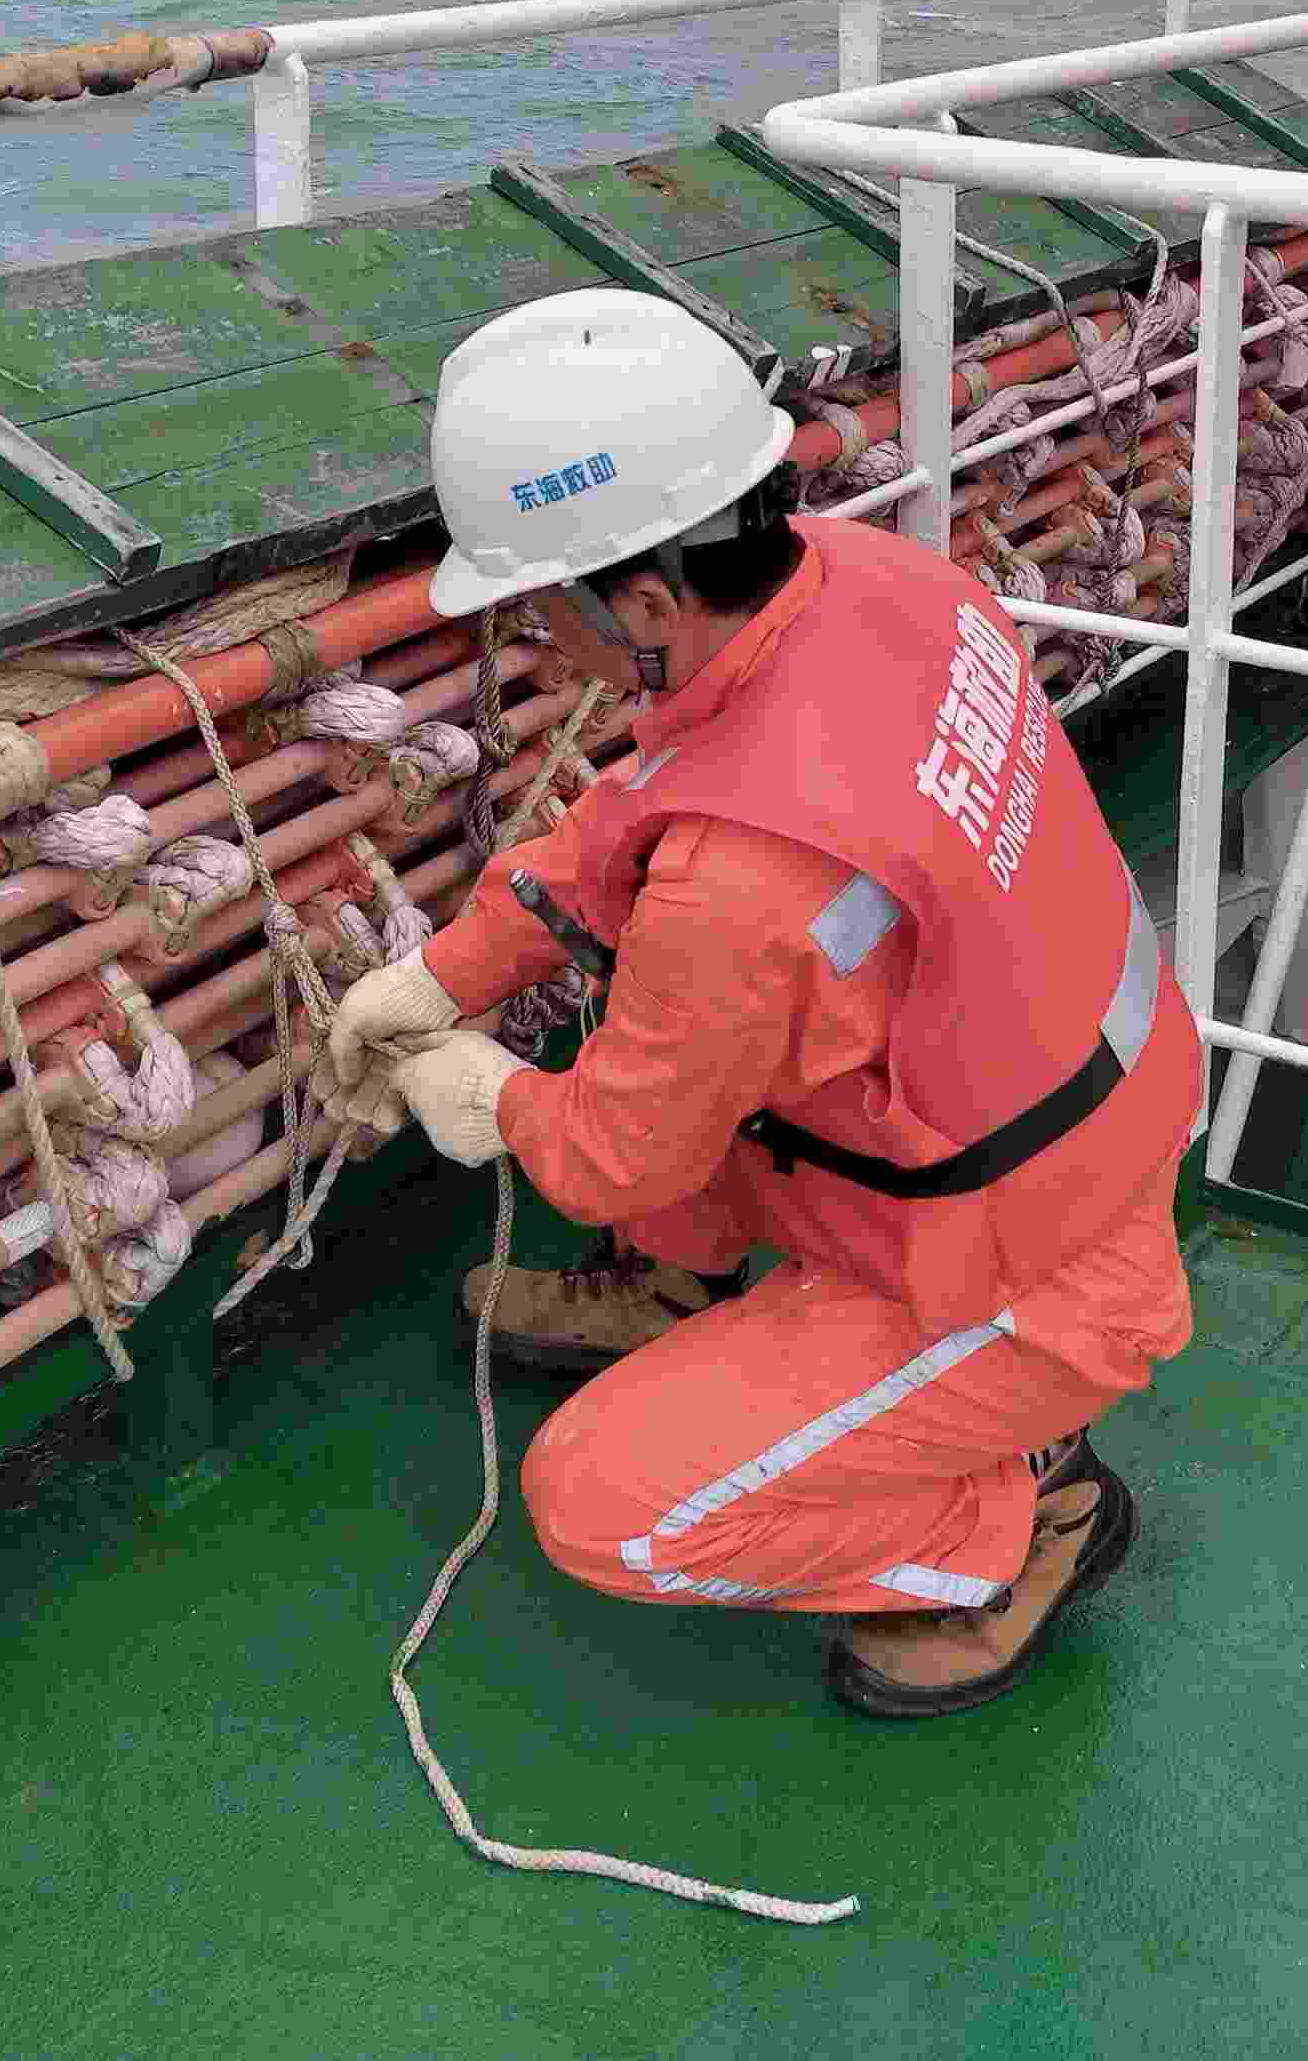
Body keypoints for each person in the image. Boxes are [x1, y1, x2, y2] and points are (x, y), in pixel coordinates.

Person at [321, 288, 1201, 1719]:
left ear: (645, 607)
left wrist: (483, 1094)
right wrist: (448, 973)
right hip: (1072, 1125)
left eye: (541, 608)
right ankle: (675, 1290)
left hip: (1021, 1271)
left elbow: (614, 1151)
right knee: (678, 1000)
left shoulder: (740, 893)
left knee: (606, 1510)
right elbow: (641, 824)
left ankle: (1027, 1519)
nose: (537, 638)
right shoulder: (871, 582)